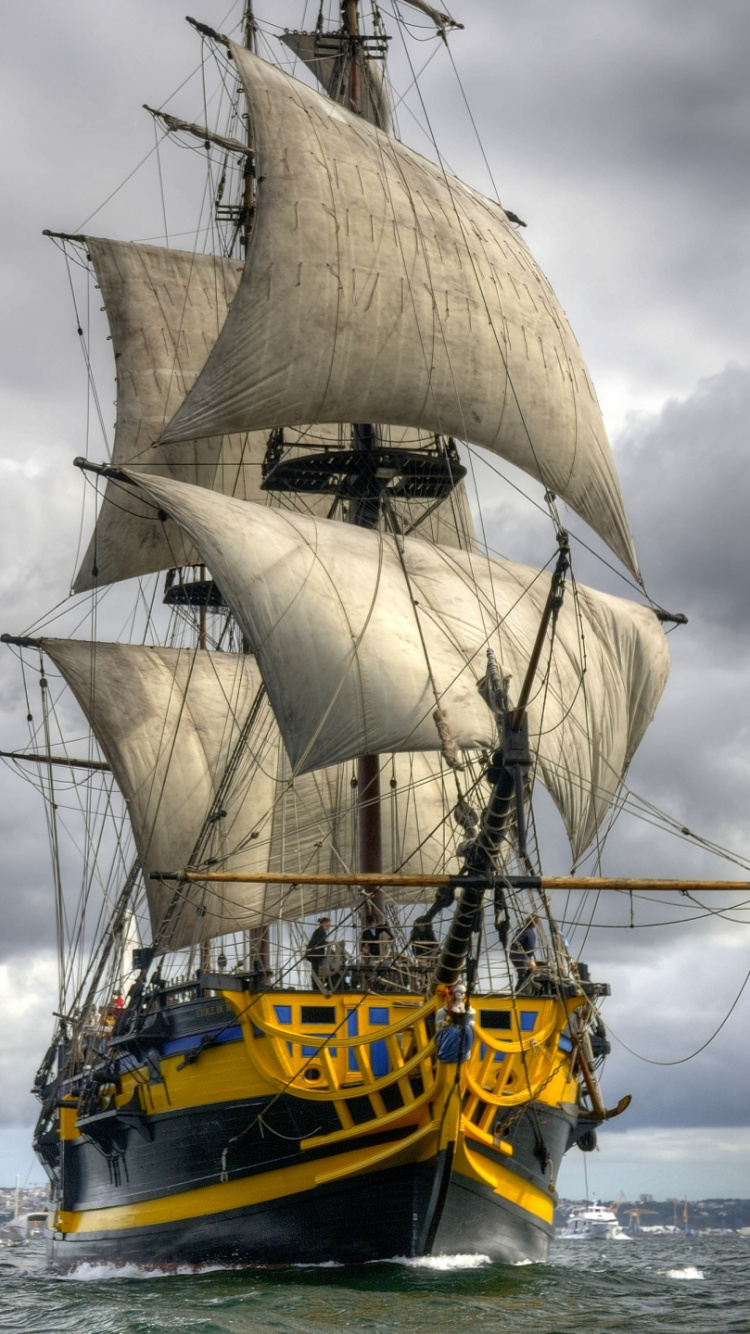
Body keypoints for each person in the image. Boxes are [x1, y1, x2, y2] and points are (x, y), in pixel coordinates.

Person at [510, 915, 540, 992]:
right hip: (520, 957)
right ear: (535, 924)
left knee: (522, 973)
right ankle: (520, 992)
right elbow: (530, 948)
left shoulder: (520, 930)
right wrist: (529, 958)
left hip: (513, 955)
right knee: (523, 976)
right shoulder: (530, 933)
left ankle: (519, 991)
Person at [306, 917, 331, 988]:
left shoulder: (319, 931)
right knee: (315, 970)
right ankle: (316, 986)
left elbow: (319, 942)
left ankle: (316, 985)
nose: (329, 926)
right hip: (315, 954)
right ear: (324, 923)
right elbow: (319, 943)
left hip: (314, 954)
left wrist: (327, 943)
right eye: (328, 924)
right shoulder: (321, 931)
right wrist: (328, 943)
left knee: (315, 970)